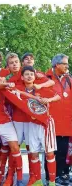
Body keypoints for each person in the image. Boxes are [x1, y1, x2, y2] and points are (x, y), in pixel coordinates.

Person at [17, 66, 61, 186]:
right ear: (22, 77)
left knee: (49, 153)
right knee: (33, 153)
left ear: (34, 76)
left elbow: (58, 96)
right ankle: (37, 181)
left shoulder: (42, 87)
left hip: (45, 124)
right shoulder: (21, 90)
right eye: (27, 74)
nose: (29, 76)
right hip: (31, 124)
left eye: (32, 74)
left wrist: (49, 100)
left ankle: (52, 182)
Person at [45, 54, 72, 186]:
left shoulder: (69, 80)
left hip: (66, 123)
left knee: (63, 151)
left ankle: (62, 175)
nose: (67, 66)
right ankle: (50, 177)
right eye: (65, 64)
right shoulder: (46, 78)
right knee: (51, 152)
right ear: (57, 65)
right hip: (51, 123)